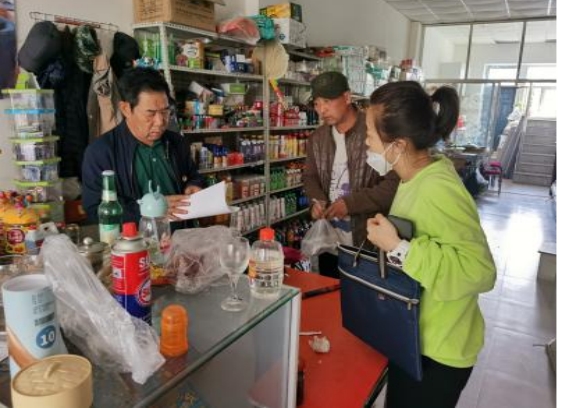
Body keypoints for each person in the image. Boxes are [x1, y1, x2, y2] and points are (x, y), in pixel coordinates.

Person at [364, 81, 496, 408]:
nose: (366, 142)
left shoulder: (438, 187)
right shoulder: (414, 177)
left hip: (440, 349)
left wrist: (398, 247)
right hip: (414, 335)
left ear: (398, 144)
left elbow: (480, 271)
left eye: (369, 134)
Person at [302, 71, 399, 278]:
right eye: (317, 103)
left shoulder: (374, 131)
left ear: (347, 97)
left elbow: (393, 184)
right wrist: (316, 201)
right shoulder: (317, 139)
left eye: (327, 101)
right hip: (329, 240)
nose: (321, 110)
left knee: (363, 293)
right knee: (329, 290)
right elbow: (310, 177)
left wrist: (351, 204)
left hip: (368, 240)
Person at [82, 67, 204, 223]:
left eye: (165, 111)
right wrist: (148, 208)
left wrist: (194, 185)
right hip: (134, 236)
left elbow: (194, 176)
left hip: (179, 234)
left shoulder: (177, 142)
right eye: (150, 113)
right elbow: (95, 210)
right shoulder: (101, 152)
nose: (160, 122)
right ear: (126, 109)